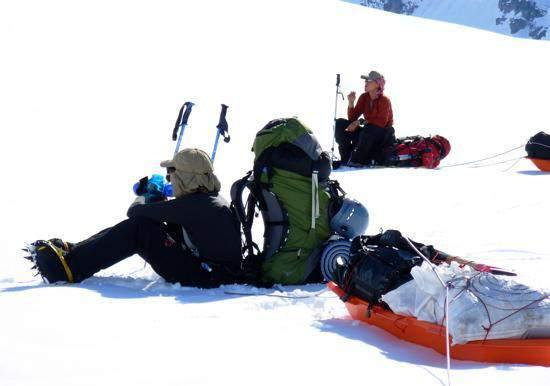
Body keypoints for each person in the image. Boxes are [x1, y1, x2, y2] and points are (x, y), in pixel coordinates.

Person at [26, 148, 244, 288]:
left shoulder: (195, 204)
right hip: (210, 272)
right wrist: (156, 199)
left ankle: (70, 268)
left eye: (173, 174)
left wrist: (145, 195)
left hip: (205, 278)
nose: (171, 178)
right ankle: (75, 252)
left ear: (186, 177)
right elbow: (170, 215)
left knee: (140, 229)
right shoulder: (207, 199)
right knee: (148, 226)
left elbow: (136, 213)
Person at [335, 71, 395, 166]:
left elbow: (381, 122)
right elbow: (352, 118)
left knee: (369, 128)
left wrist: (360, 121)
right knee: (339, 123)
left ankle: (358, 160)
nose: (366, 83)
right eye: (365, 80)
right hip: (367, 133)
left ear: (377, 84)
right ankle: (346, 157)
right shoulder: (364, 97)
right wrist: (351, 102)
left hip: (382, 135)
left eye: (369, 80)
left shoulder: (384, 100)